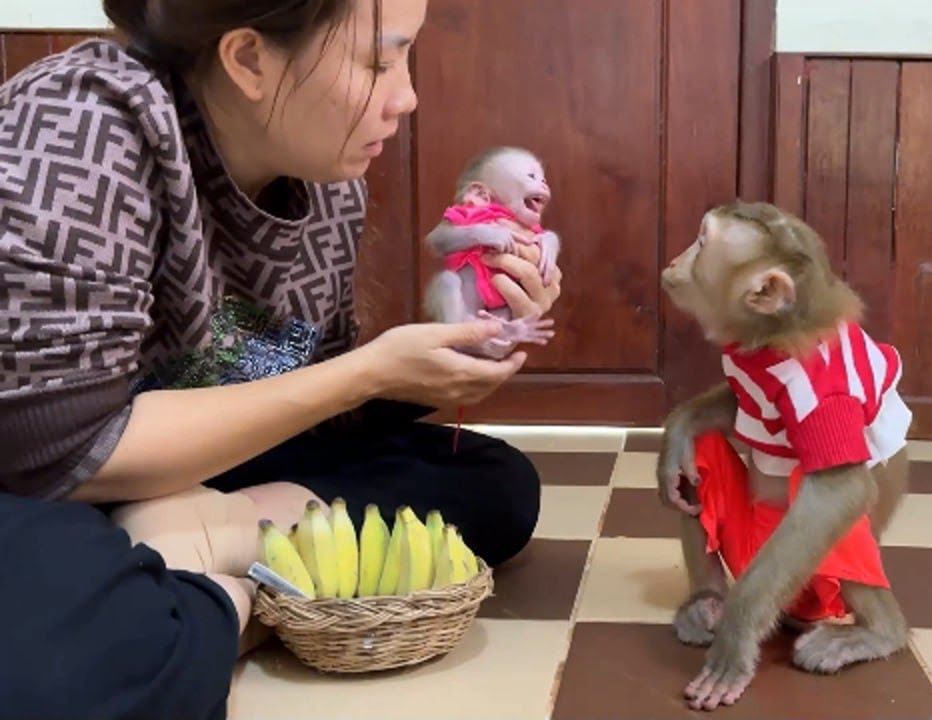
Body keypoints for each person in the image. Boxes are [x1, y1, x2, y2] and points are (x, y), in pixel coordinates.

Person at [0, 0, 561, 717]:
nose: (407, 95)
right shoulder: (79, 131)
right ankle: (231, 596)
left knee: (498, 485)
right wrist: (371, 371)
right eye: (378, 61)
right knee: (60, 669)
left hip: (194, 468)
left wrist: (459, 344)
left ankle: (207, 544)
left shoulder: (326, 182)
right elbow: (49, 452)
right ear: (249, 60)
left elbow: (306, 406)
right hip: (48, 485)